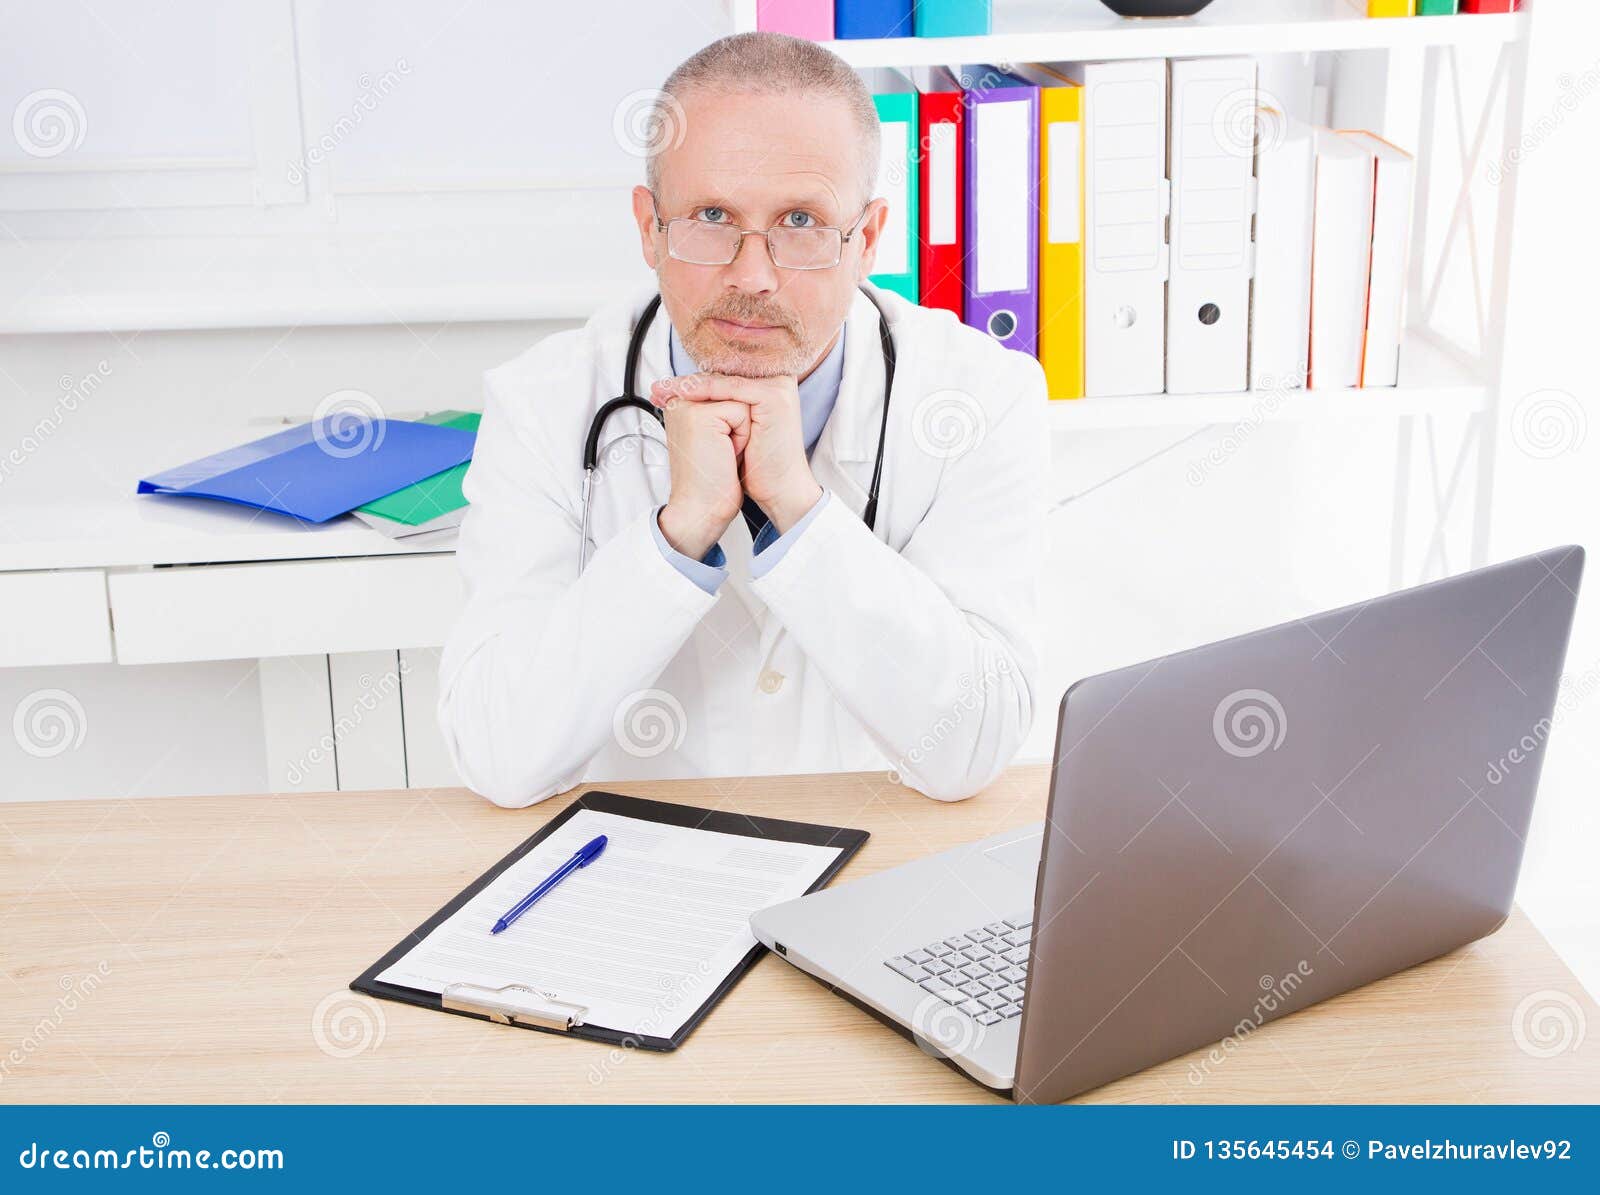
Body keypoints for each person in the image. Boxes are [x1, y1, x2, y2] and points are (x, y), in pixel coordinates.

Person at [438, 32, 1047, 808]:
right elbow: (499, 755)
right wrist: (677, 531)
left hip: (871, 875)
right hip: (633, 875)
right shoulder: (543, 403)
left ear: (865, 241)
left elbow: (972, 747)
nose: (753, 276)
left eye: (800, 221)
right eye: (712, 215)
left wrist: (799, 509)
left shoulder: (983, 399)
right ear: (649, 229)